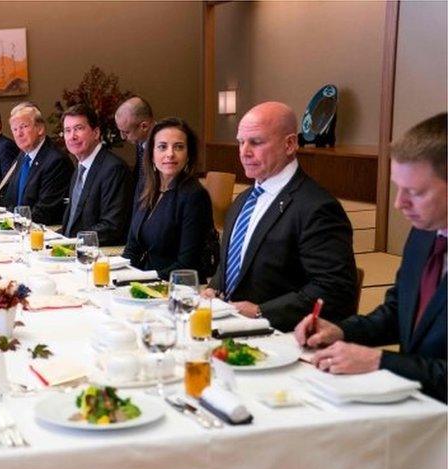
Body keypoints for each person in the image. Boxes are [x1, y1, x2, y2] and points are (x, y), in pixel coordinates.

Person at [295, 113, 447, 402]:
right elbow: (397, 312)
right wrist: (340, 331)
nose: (399, 203)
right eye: (397, 187)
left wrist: (380, 362)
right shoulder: (425, 233)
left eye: (414, 192)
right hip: (417, 406)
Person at [205, 101, 357, 331]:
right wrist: (214, 287)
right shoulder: (244, 199)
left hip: (278, 336)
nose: (244, 152)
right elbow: (235, 262)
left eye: (256, 142)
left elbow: (334, 289)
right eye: (241, 142)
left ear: (289, 144)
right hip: (228, 326)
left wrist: (261, 312)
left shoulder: (316, 207)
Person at [125, 117, 217, 279]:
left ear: (188, 155)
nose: (170, 154)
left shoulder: (194, 196)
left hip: (175, 288)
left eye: (179, 147)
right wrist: (119, 275)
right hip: (143, 281)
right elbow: (132, 248)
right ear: (152, 154)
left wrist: (142, 280)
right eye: (162, 147)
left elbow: (187, 264)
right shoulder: (144, 187)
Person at [59, 104, 133, 244]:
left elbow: (111, 226)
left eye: (78, 129)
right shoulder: (80, 168)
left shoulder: (113, 169)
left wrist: (71, 243)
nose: (72, 136)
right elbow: (72, 223)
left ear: (96, 133)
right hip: (73, 250)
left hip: (99, 254)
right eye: (67, 131)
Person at [0, 104, 73, 226]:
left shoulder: (56, 161)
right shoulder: (23, 155)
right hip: (19, 228)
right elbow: (10, 199)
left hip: (43, 231)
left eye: (23, 127)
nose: (19, 134)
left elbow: (44, 211)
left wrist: (10, 223)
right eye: (15, 129)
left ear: (40, 128)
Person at [114, 96, 156, 216]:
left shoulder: (163, 148)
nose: (122, 137)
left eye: (126, 132)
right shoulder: (141, 142)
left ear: (144, 126)